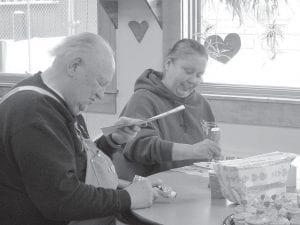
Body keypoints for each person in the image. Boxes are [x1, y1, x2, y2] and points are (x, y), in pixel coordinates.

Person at [0, 32, 160, 225]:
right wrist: (128, 197)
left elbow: (75, 164)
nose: (101, 95)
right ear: (74, 66)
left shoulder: (59, 104)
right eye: (100, 83)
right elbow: (60, 200)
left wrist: (112, 140)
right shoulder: (34, 113)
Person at [113, 39, 221, 180]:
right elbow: (139, 147)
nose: (194, 80)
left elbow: (208, 147)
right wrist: (192, 150)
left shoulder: (202, 103)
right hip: (156, 191)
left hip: (193, 188)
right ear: (168, 64)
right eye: (188, 71)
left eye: (199, 75)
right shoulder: (143, 99)